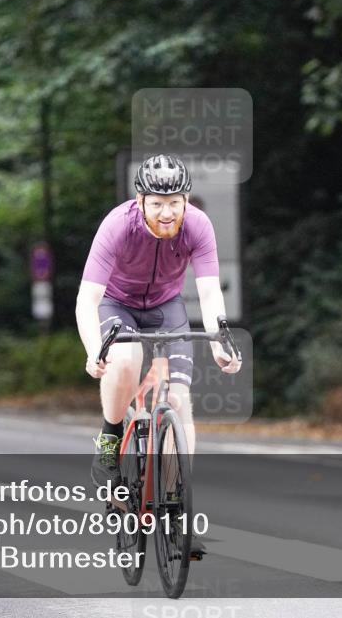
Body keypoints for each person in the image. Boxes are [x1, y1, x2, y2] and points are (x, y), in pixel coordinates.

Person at [75, 154, 242, 492]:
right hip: (117, 304)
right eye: (157, 204)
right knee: (125, 360)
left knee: (179, 402)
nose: (167, 213)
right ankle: (110, 437)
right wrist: (94, 350)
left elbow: (210, 293)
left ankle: (175, 503)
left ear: (185, 200)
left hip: (166, 306)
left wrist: (219, 344)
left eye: (175, 203)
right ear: (140, 202)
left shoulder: (197, 225)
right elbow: (87, 299)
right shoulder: (118, 225)